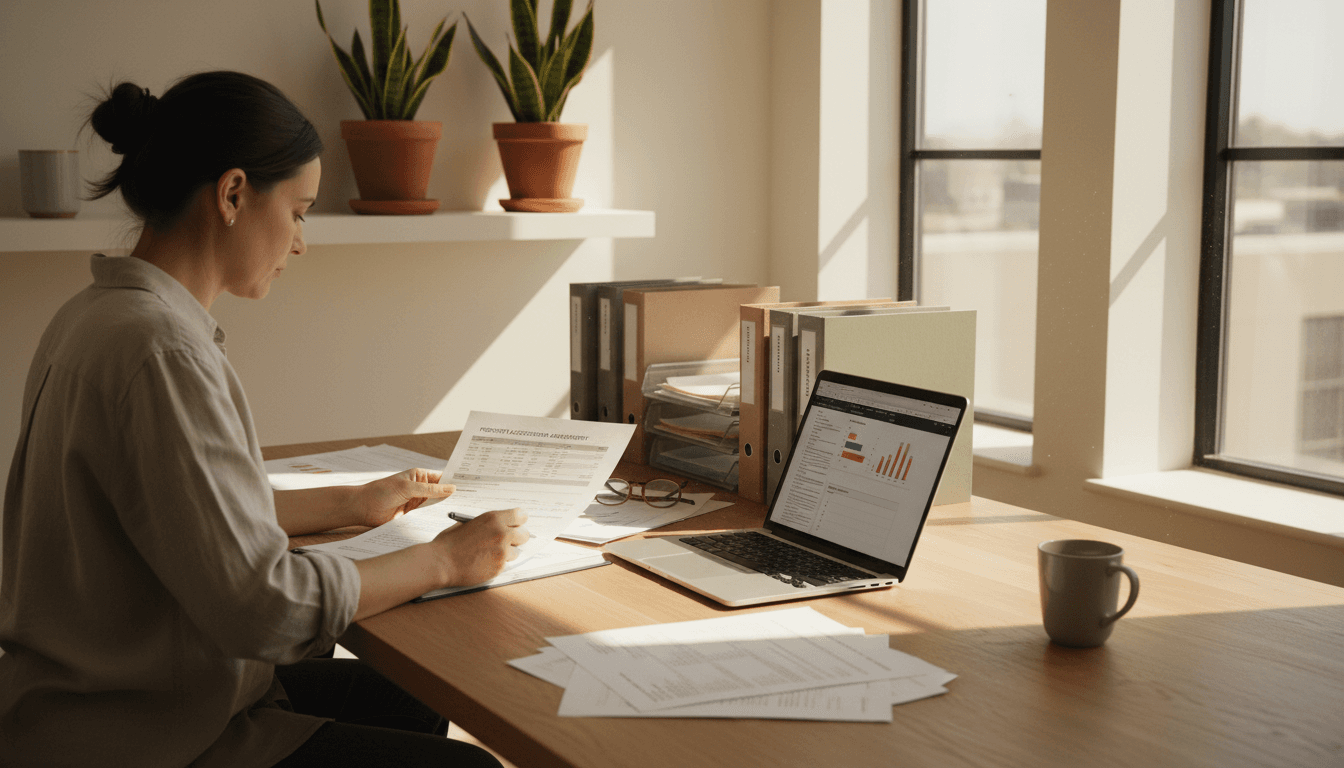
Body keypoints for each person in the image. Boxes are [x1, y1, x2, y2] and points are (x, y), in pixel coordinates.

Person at [0, 71, 530, 767]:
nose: (302, 242)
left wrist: (349, 501)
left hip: (91, 697)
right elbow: (264, 609)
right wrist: (441, 559)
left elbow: (179, 516)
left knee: (412, 693)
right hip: (144, 731)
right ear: (232, 194)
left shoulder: (97, 316)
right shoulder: (161, 351)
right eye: (300, 210)